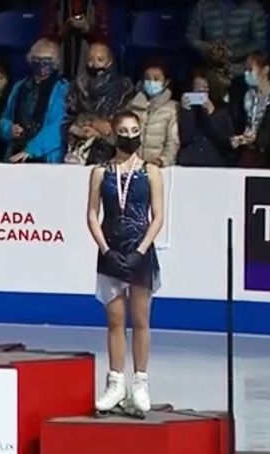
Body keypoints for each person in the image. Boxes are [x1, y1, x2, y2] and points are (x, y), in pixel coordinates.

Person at [86, 110, 164, 413]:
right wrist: (105, 250)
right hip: (111, 251)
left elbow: (158, 217)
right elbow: (92, 214)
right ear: (114, 134)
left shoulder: (151, 172)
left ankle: (140, 382)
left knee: (141, 320)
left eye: (134, 131)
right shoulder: (100, 172)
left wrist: (140, 251)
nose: (129, 136)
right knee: (115, 321)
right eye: (124, 131)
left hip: (140, 253)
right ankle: (115, 382)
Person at [186, 0, 267, 131]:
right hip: (211, 72)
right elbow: (191, 37)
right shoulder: (203, 6)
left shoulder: (253, 7)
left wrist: (234, 52)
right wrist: (210, 49)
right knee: (208, 118)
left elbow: (259, 41)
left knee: (236, 118)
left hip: (240, 73)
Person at [63, 41, 135, 165]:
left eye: (100, 60)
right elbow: (66, 120)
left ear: (110, 62)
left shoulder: (125, 89)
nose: (94, 64)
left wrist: (101, 135)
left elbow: (128, 127)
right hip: (79, 154)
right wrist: (89, 124)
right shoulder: (78, 87)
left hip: (112, 156)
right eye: (90, 59)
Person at [0, 38, 68, 163]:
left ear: (56, 63)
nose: (42, 64)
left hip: (46, 157)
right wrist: (8, 129)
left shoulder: (62, 89)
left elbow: (59, 126)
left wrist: (31, 150)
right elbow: (5, 117)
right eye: (37, 60)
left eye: (47, 60)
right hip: (16, 152)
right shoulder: (19, 87)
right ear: (30, 60)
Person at [231, 51, 270, 169]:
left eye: (250, 70)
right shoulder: (246, 96)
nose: (247, 74)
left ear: (265, 70)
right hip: (248, 154)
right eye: (246, 70)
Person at [178, 68, 236, 167]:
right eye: (197, 87)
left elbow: (226, 141)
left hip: (215, 163)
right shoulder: (189, 109)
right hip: (190, 162)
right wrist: (187, 112)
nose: (200, 91)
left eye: (205, 88)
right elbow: (186, 138)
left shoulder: (224, 109)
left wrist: (212, 114)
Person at [127, 60, 180, 167]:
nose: (151, 82)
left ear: (166, 82)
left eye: (156, 79)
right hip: (133, 166)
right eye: (147, 78)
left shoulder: (172, 108)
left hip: (159, 168)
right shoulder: (132, 106)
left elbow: (173, 141)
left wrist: (162, 161)